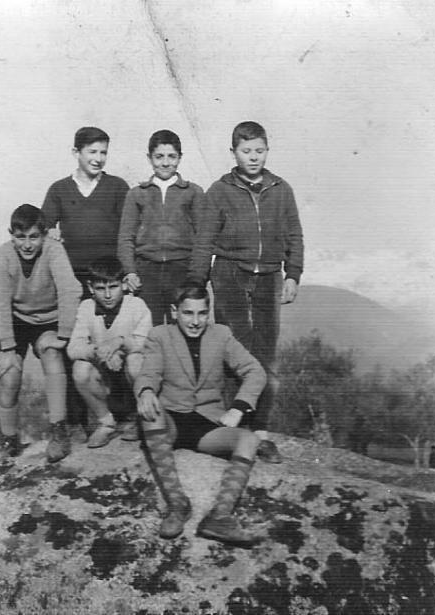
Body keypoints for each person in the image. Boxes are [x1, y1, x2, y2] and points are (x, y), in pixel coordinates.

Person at [189, 121, 304, 464]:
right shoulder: (219, 190)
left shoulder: (281, 189)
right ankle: (233, 430)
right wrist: (197, 282)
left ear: (267, 151)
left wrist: (293, 274)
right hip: (229, 274)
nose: (253, 157)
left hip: (269, 276)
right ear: (233, 153)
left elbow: (294, 235)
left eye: (259, 150)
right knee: (233, 350)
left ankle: (261, 432)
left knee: (266, 355)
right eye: (246, 151)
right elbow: (204, 240)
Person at [135, 284, 267, 547]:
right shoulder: (159, 335)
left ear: (209, 312)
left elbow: (255, 371)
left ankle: (219, 517)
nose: (195, 321)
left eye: (202, 313)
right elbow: (149, 372)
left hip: (208, 424)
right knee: (151, 415)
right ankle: (178, 504)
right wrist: (146, 391)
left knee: (249, 440)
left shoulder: (221, 334)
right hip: (171, 420)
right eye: (188, 313)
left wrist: (238, 408)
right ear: (175, 312)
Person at [41, 126, 130, 435]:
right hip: (73, 283)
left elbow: (128, 231)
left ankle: (123, 413)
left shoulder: (117, 187)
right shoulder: (59, 190)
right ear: (76, 152)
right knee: (74, 345)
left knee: (115, 342)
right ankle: (78, 420)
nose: (99, 158)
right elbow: (43, 228)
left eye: (104, 152)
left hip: (109, 280)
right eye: (92, 151)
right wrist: (50, 232)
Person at [0, 204, 82, 462]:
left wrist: (63, 336)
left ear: (44, 234)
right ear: (11, 235)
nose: (27, 244)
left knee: (52, 356)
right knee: (9, 375)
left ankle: (59, 431)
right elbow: (0, 301)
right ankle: (9, 438)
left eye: (34, 237)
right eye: (21, 237)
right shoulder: (4, 254)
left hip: (49, 317)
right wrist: (8, 348)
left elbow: (69, 290)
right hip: (17, 319)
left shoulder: (54, 250)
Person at [118, 129, 206, 325]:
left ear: (180, 157)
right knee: (148, 329)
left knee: (183, 328)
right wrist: (130, 271)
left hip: (182, 271)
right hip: (146, 272)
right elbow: (125, 237)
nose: (165, 163)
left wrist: (197, 276)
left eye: (171, 156)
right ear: (149, 158)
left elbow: (203, 239)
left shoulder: (193, 192)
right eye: (159, 157)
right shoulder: (136, 194)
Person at [67, 256, 152, 448]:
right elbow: (73, 348)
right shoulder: (86, 307)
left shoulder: (137, 305)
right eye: (100, 288)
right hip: (106, 377)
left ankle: (140, 419)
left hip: (129, 378)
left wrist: (119, 344)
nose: (107, 295)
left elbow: (146, 343)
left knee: (136, 361)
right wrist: (98, 351)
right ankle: (106, 422)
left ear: (124, 284)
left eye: (113, 287)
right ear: (90, 288)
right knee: (80, 369)